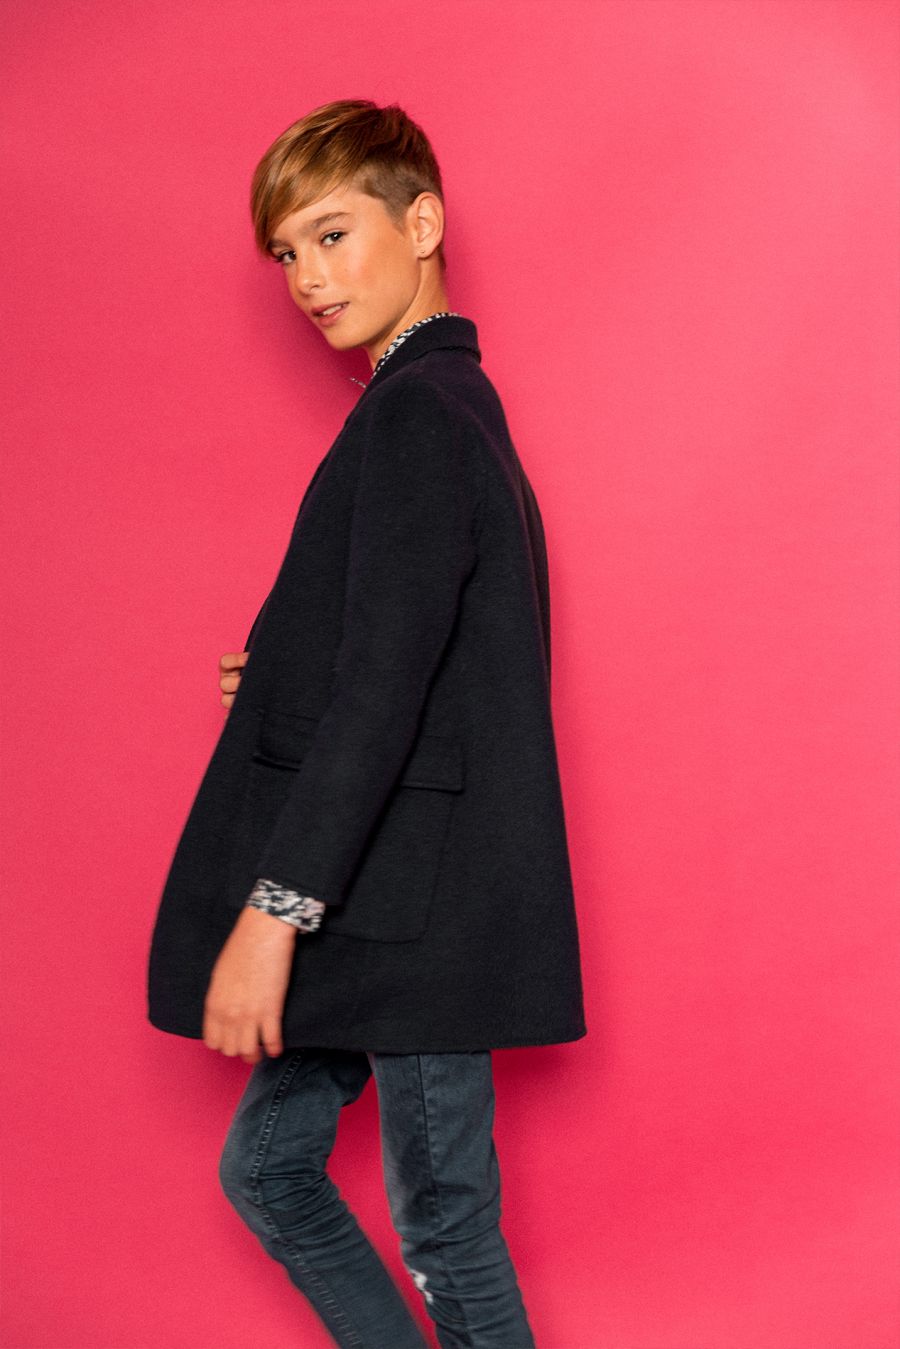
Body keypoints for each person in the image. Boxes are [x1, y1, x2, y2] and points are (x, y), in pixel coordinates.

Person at [147, 98, 587, 1348]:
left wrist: (270, 915)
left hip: (410, 907)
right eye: (288, 253)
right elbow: (424, 649)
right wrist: (286, 674)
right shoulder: (438, 404)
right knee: (270, 1168)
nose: (308, 278)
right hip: (390, 896)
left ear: (423, 223)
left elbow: (393, 685)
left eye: (333, 235)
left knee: (443, 1222)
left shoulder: (419, 413)